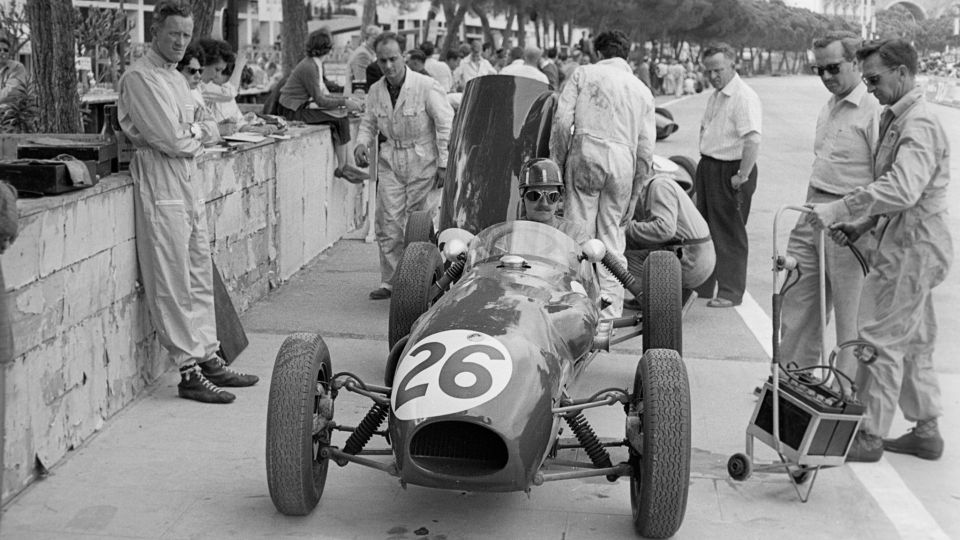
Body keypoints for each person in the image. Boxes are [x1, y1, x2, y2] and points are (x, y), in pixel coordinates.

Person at [806, 38, 953, 463]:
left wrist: (841, 208)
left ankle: (870, 434)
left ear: (903, 73)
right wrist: (863, 223)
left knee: (879, 338)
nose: (867, 87)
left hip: (913, 244)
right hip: (908, 237)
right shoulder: (899, 117)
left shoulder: (918, 123)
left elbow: (902, 188)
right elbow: (901, 190)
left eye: (873, 78)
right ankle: (926, 428)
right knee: (914, 339)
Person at [118, 0, 258, 404]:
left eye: (185, 35)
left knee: (197, 269)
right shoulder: (140, 79)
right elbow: (173, 139)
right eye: (172, 34)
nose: (180, 42)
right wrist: (198, 130)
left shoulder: (178, 80)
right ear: (155, 33)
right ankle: (188, 368)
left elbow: (203, 124)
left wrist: (196, 129)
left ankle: (209, 355)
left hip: (187, 180)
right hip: (161, 179)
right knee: (171, 276)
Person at [779, 32, 880, 388]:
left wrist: (862, 223)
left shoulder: (874, 110)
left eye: (833, 68)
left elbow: (884, 180)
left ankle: (845, 391)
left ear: (856, 63)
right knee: (797, 302)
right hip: (812, 211)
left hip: (849, 221)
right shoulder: (830, 105)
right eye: (818, 69)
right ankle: (793, 380)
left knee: (850, 318)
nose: (826, 77)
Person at [550, 30, 655, 319]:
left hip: (586, 152)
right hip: (624, 161)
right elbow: (646, 150)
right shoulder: (641, 90)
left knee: (577, 237)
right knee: (612, 241)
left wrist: (557, 163)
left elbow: (561, 122)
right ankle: (609, 317)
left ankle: (575, 313)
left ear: (597, 53)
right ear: (626, 54)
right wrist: (635, 193)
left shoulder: (583, 73)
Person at [354, 32, 454, 300]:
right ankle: (390, 281)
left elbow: (445, 124)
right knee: (387, 223)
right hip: (391, 159)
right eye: (383, 60)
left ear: (404, 56)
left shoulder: (426, 86)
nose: (388, 66)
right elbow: (368, 122)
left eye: (393, 59)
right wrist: (361, 143)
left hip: (424, 160)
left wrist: (444, 164)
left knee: (420, 224)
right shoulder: (376, 91)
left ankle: (423, 282)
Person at [693, 42, 762, 308]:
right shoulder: (717, 95)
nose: (713, 76)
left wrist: (741, 176)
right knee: (705, 229)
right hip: (710, 166)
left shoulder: (743, 97)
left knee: (729, 231)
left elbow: (753, 140)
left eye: (718, 70)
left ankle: (731, 292)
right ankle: (705, 285)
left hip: (731, 169)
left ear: (733, 65)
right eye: (709, 71)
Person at [279, 29, 368, 183]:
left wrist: (345, 100)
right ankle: (343, 166)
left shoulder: (314, 64)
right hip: (292, 111)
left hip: (298, 107)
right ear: (327, 48)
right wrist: (344, 102)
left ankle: (346, 164)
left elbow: (322, 95)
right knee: (339, 118)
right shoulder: (310, 67)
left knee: (341, 116)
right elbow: (320, 100)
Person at [624, 172, 715, 310]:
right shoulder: (658, 186)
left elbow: (664, 230)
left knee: (619, 260)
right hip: (696, 255)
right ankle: (661, 295)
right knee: (630, 241)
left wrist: (625, 227)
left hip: (691, 259)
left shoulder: (659, 187)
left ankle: (655, 300)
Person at [197, 38, 278, 137]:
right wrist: (239, 65)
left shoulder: (226, 99)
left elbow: (240, 125)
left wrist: (257, 129)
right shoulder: (205, 88)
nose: (216, 76)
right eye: (233, 81)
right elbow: (228, 93)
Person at [518, 158, 589, 244]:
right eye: (535, 196)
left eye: (552, 196)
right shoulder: (509, 235)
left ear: (560, 197)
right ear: (522, 195)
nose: (544, 203)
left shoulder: (574, 235)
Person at [176, 44, 221, 145]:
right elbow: (181, 136)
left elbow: (213, 130)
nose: (198, 76)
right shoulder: (172, 96)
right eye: (192, 71)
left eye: (200, 71)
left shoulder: (195, 92)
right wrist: (198, 128)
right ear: (177, 71)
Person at [347, 25, 382, 93]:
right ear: (366, 38)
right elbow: (361, 82)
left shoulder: (368, 53)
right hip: (358, 98)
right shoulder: (363, 55)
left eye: (380, 39)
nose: (378, 42)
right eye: (375, 39)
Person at [0, 36, 26, 107]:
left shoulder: (17, 67)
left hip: (9, 113)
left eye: (5, 50)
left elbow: (12, 91)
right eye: (0, 49)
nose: (2, 52)